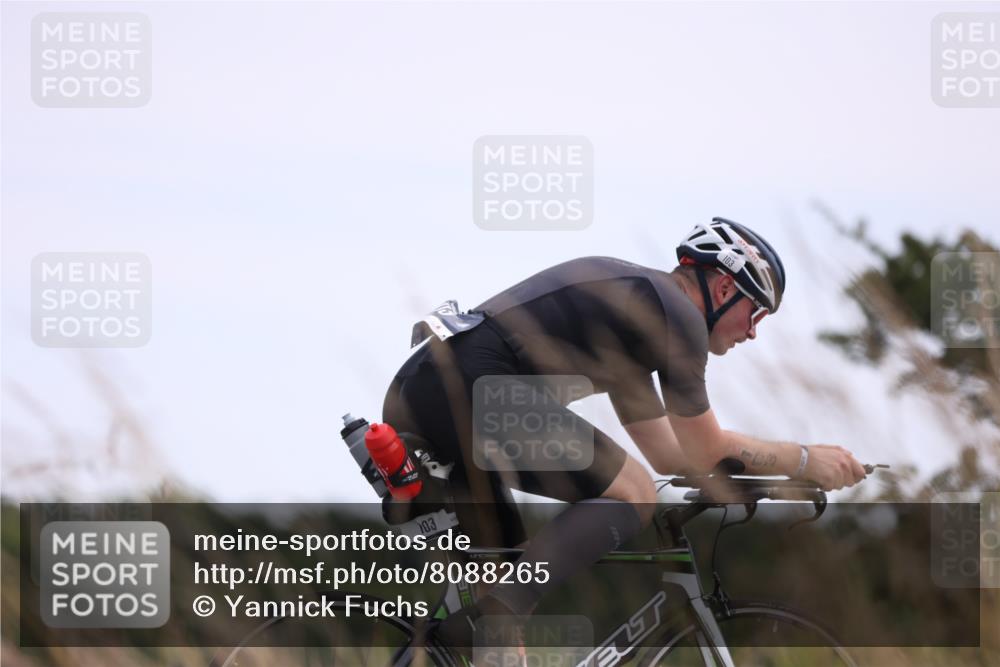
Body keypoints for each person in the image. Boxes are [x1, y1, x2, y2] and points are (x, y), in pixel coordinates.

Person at [380, 217, 867, 655]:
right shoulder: (675, 314)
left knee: (501, 618)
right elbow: (703, 447)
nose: (753, 333)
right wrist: (803, 460)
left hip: (426, 392)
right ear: (723, 289)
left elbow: (671, 455)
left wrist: (759, 478)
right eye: (756, 314)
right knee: (630, 493)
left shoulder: (636, 319)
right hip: (466, 392)